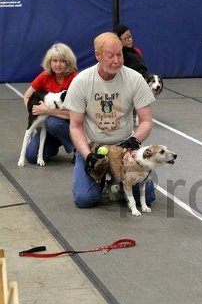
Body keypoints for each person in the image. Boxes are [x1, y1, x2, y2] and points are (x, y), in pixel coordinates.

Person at [63, 32, 155, 208]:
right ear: (97, 55)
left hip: (124, 148)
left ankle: (120, 181)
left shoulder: (135, 79)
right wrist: (88, 155)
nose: (116, 61)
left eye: (119, 54)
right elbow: (75, 126)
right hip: (94, 147)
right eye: (110, 55)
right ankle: (104, 181)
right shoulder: (81, 81)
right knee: (84, 199)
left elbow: (146, 121)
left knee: (147, 197)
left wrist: (134, 140)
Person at [22, 43, 78, 164]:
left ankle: (77, 149)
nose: (58, 64)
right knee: (31, 156)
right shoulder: (45, 76)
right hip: (47, 126)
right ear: (50, 62)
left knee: (52, 122)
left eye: (62, 61)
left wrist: (47, 111)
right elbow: (27, 96)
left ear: (68, 62)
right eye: (55, 61)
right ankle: (52, 146)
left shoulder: (74, 79)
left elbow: (75, 113)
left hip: (68, 126)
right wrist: (34, 112)